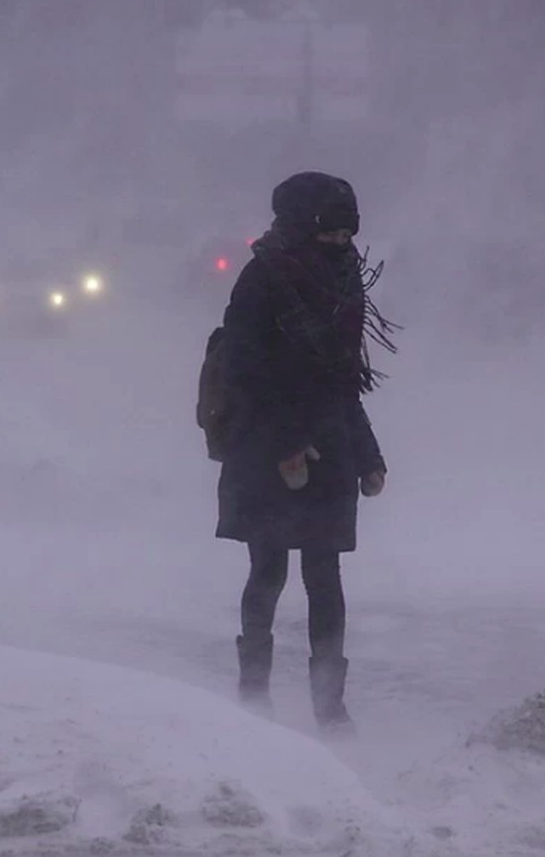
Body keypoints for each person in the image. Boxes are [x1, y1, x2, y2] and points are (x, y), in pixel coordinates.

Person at [216, 172, 396, 733]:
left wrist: (368, 454)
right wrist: (287, 446)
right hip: (266, 449)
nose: (342, 247)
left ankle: (329, 705)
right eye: (329, 236)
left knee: (325, 577)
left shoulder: (344, 280)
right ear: (298, 228)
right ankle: (253, 698)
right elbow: (245, 372)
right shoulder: (261, 278)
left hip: (332, 448)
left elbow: (344, 381)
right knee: (267, 571)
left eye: (348, 236)